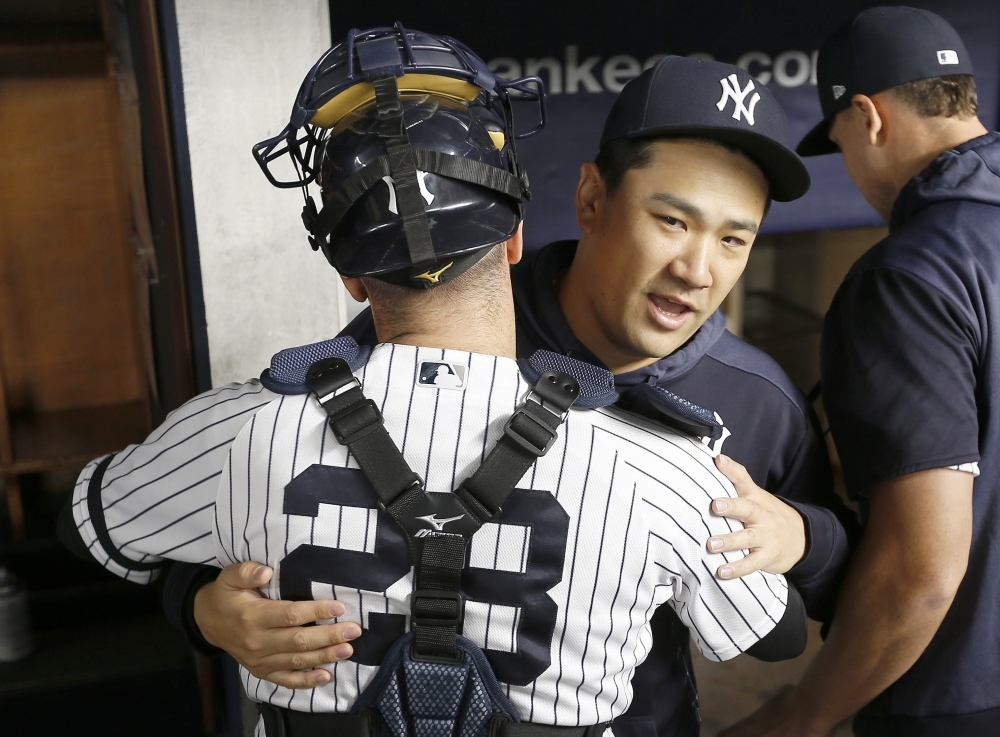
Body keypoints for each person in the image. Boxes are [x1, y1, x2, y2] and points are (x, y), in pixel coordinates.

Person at [62, 26, 806, 737]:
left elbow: (86, 525)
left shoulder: (236, 429)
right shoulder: (668, 466)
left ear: (351, 275)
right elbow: (776, 636)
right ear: (518, 235)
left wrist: (200, 608)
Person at [721, 7, 999, 737]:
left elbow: (921, 570)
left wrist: (801, 715)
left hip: (957, 697)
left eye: (838, 139)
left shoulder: (911, 276)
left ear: (869, 117)